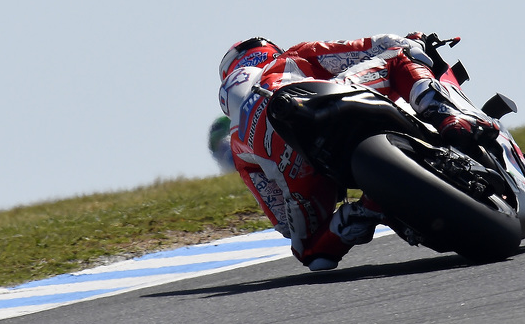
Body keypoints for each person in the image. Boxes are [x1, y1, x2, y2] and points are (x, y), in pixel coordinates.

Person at [211, 34, 499, 271]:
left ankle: (365, 211)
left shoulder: (238, 147)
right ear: (268, 51)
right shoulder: (291, 57)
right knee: (397, 55)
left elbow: (283, 222)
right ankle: (447, 115)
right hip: (324, 97)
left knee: (311, 253)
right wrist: (413, 42)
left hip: (287, 157)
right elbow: (374, 47)